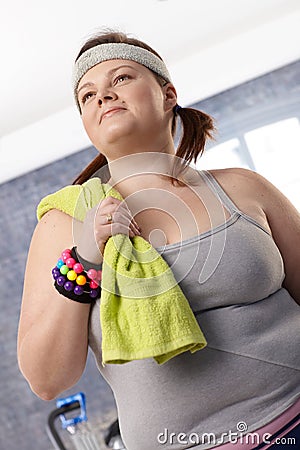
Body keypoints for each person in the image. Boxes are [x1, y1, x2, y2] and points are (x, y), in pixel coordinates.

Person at [17, 30, 300, 450]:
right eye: (87, 94)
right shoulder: (63, 223)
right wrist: (84, 259)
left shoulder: (244, 187)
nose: (103, 96)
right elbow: (46, 380)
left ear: (168, 94)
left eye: (122, 78)